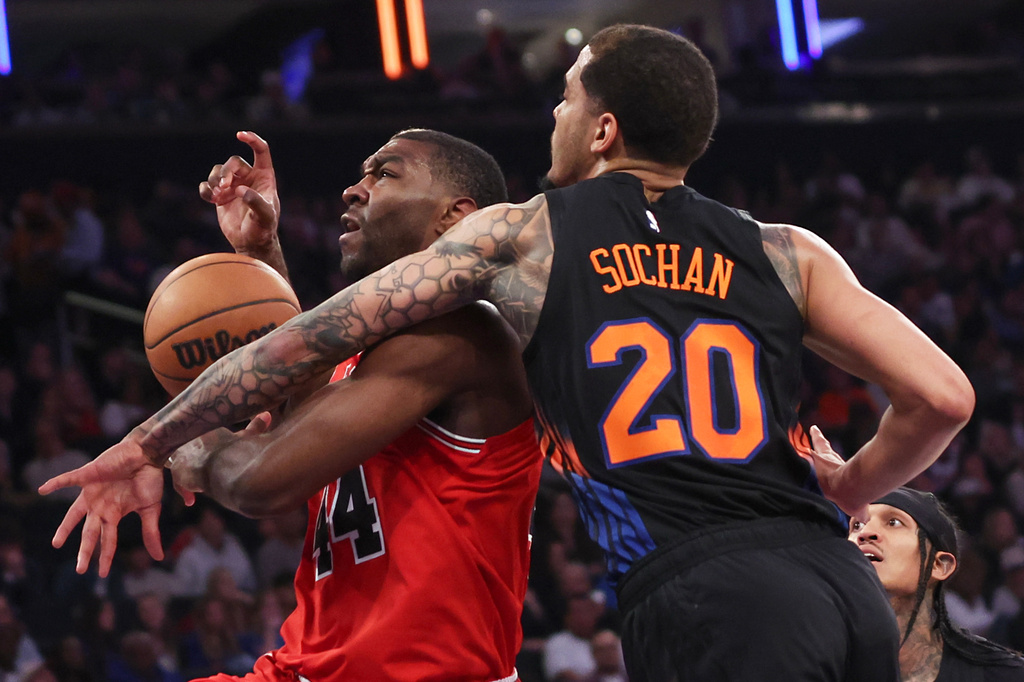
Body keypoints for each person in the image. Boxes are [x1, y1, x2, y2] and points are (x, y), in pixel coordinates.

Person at [42, 25, 975, 681]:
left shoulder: (525, 240)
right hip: (832, 583)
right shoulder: (784, 247)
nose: (553, 123)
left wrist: (155, 442)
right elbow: (943, 397)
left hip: (707, 594)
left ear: (602, 129)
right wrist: (849, 490)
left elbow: (314, 343)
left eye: (565, 102)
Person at [179, 129, 541, 680]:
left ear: (455, 216)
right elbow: (310, 404)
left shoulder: (462, 335)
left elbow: (261, 481)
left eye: (385, 173)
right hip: (311, 663)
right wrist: (260, 255)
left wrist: (197, 448)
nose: (353, 189)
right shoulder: (377, 355)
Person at [849, 486, 1024, 680]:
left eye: (893, 522)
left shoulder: (1002, 674)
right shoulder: (821, 665)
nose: (865, 533)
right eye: (857, 525)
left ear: (939, 565)